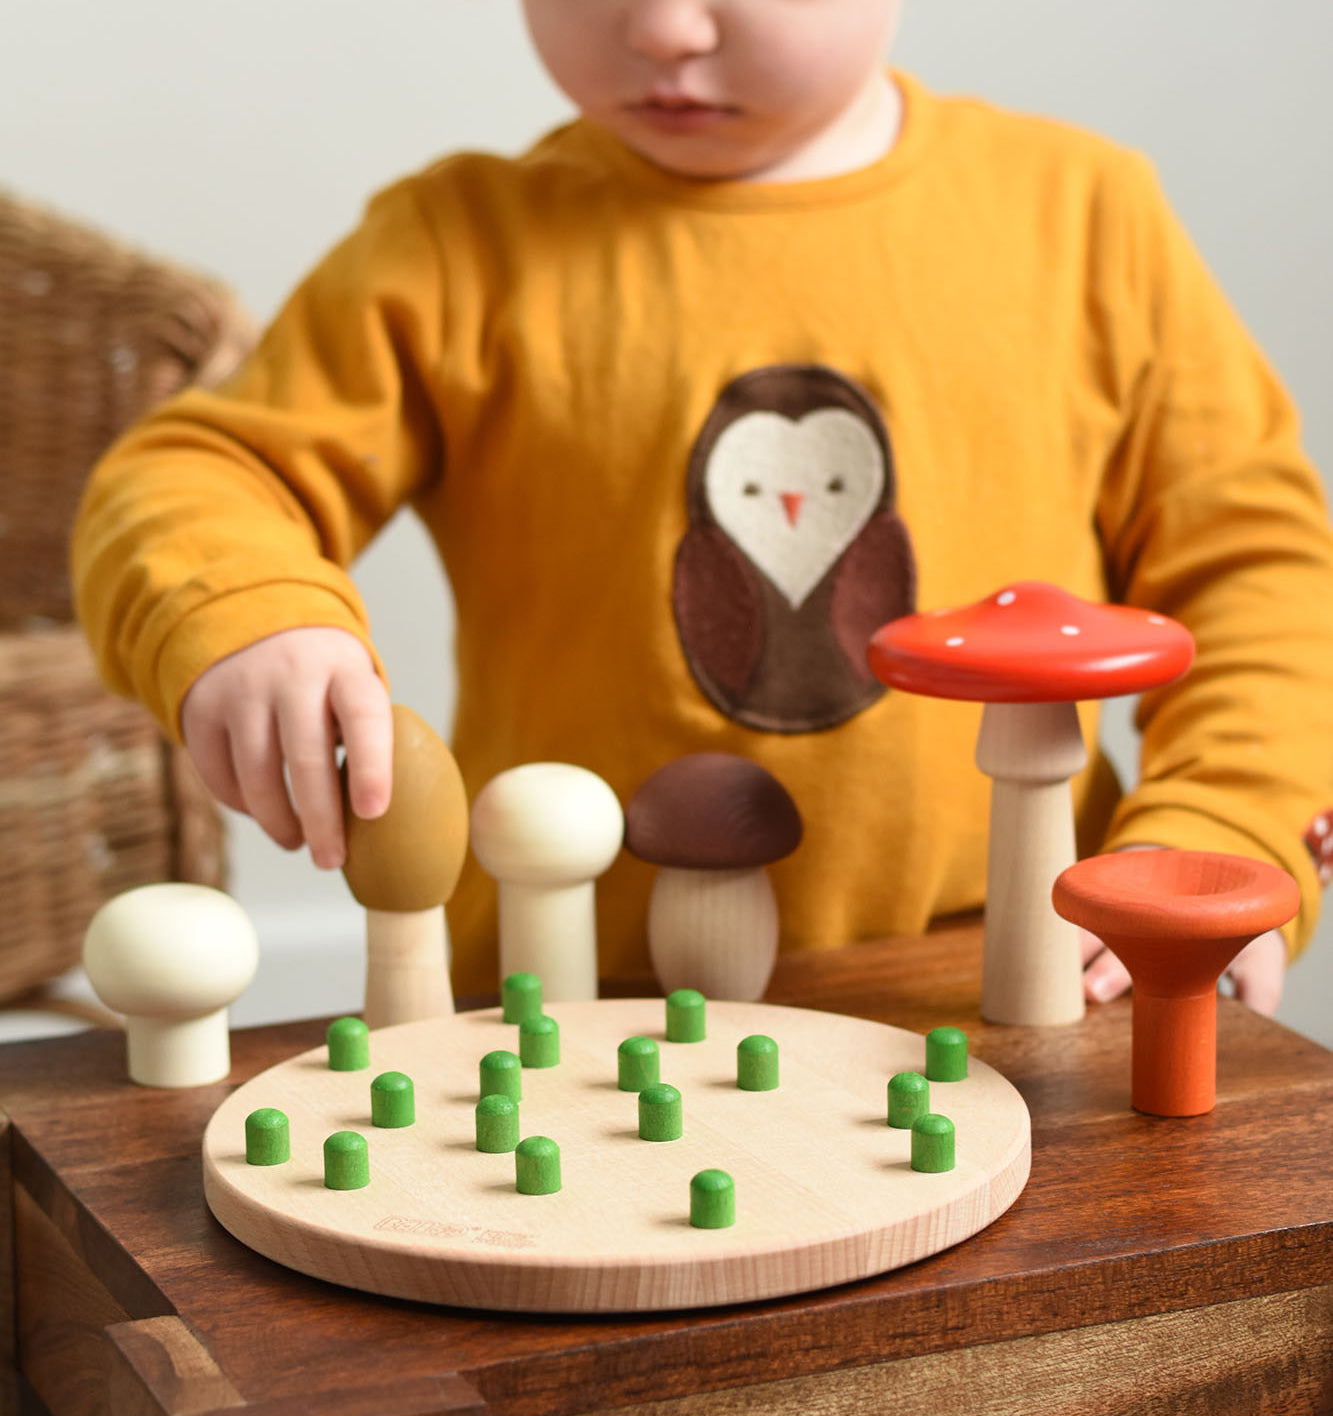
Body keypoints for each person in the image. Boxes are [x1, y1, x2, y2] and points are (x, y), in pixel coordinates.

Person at [73, 0, 1333, 1009]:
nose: (664, 27)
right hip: (569, 1005)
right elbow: (195, 471)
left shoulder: (1086, 218)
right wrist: (242, 608)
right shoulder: (455, 244)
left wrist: (1220, 826)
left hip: (1027, 985)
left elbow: (1255, 570)